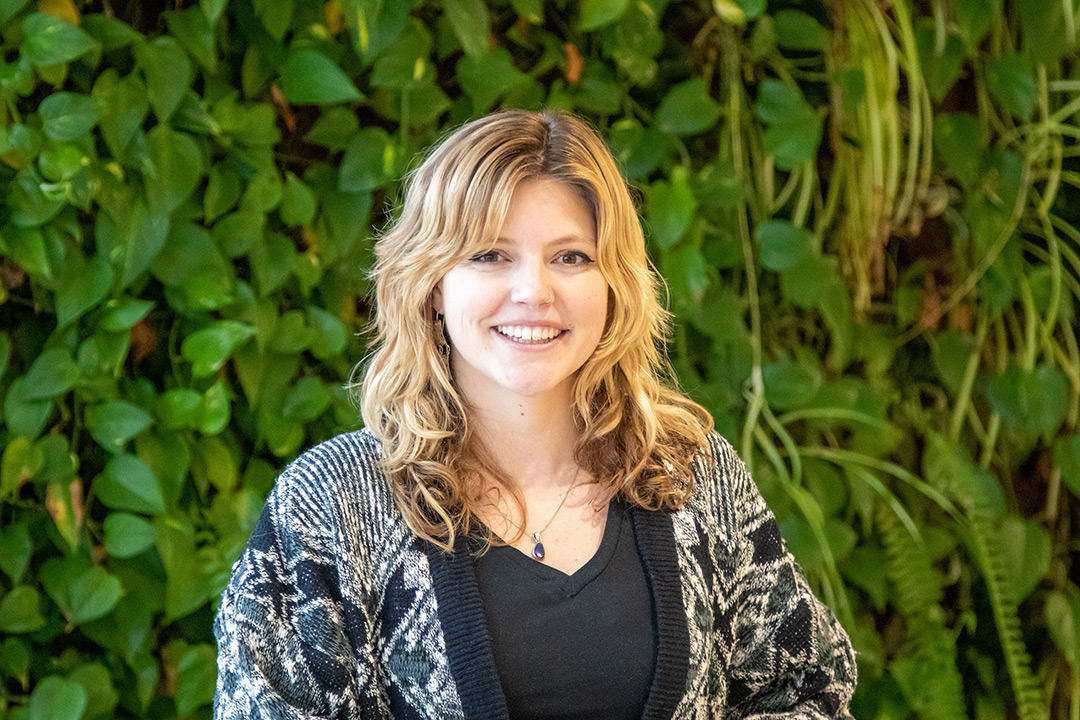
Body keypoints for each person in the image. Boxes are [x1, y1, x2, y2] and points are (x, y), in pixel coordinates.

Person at [213, 110, 856, 719]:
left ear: (614, 285)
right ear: (433, 285)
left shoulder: (690, 474)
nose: (533, 292)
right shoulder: (331, 507)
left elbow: (810, 685)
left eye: (571, 256)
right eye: (490, 254)